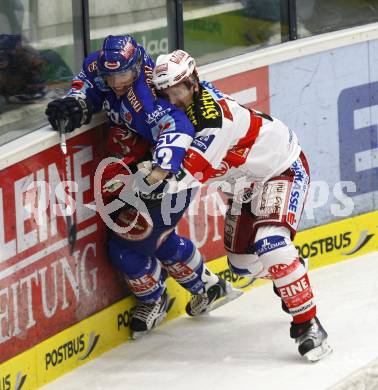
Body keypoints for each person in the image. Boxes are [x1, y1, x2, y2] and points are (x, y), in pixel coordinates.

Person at [45, 35, 241, 338]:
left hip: (175, 173)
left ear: (137, 66)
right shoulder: (105, 68)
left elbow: (177, 127)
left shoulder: (146, 96)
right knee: (149, 240)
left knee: (129, 246)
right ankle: (208, 287)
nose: (115, 81)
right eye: (110, 74)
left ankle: (158, 298)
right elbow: (88, 84)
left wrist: (155, 172)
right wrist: (75, 105)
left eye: (122, 74)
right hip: (142, 173)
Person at [151, 49, 332, 361]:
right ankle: (291, 270)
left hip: (280, 169)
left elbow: (185, 175)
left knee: (271, 243)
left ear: (193, 82)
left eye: (178, 90)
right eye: (165, 93)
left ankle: (308, 325)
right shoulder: (178, 111)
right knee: (243, 265)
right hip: (243, 187)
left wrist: (137, 187)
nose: (173, 99)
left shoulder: (213, 120)